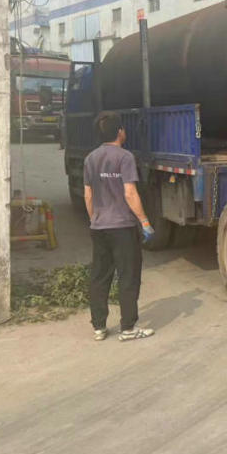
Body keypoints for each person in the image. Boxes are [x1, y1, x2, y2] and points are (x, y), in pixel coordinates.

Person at [83, 111, 157, 342]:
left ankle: (99, 327)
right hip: (123, 227)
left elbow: (88, 195)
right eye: (123, 128)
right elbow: (130, 192)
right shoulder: (125, 157)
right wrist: (145, 221)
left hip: (99, 227)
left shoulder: (90, 158)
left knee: (100, 276)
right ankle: (128, 328)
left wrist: (95, 219)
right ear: (119, 132)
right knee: (128, 276)